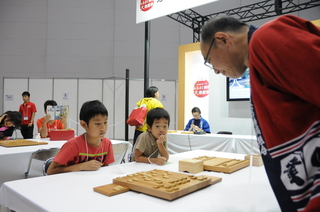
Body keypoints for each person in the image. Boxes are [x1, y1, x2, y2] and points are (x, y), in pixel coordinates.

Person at [200, 15, 320, 212]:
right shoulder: (259, 61)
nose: (215, 71)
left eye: (210, 60)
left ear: (223, 39)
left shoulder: (266, 39)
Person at [47, 100, 114, 175]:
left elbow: (106, 169)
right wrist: (81, 166)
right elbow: (50, 171)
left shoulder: (107, 143)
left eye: (105, 122)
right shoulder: (73, 145)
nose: (103, 128)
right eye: (97, 123)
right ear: (84, 125)